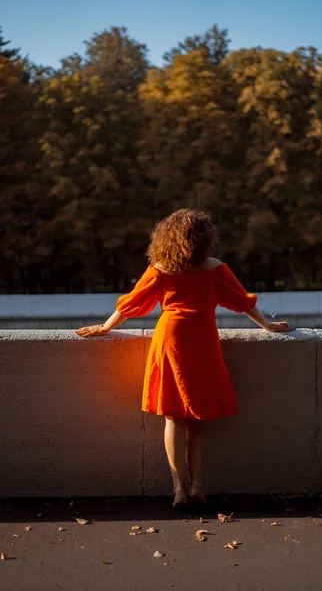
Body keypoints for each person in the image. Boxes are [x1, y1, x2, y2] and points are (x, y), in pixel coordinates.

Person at [76, 209, 295, 509]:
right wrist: (267, 325)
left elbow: (131, 304)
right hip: (203, 341)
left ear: (168, 237)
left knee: (173, 416)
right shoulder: (214, 268)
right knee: (196, 420)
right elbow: (242, 301)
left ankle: (178, 490)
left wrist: (104, 327)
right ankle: (197, 488)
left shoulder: (161, 268)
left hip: (171, 340)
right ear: (205, 239)